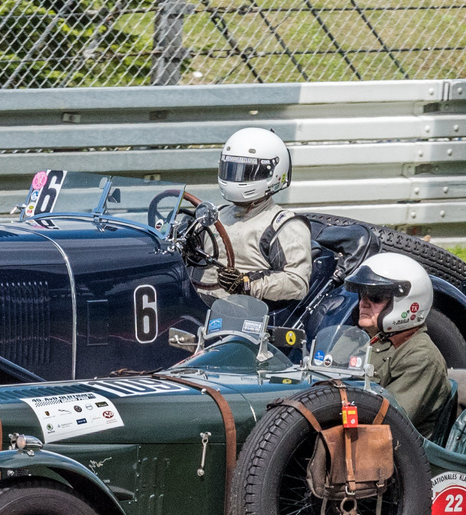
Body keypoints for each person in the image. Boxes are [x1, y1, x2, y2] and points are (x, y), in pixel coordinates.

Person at [193, 127, 314, 304]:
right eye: (231, 169)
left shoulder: (284, 225)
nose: (237, 178)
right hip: (194, 306)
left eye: (246, 172)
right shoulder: (213, 215)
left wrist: (246, 284)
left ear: (273, 171)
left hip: (243, 316)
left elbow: (297, 283)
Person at [343, 252, 451, 438]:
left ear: (408, 303)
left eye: (376, 297)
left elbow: (387, 420)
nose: (363, 303)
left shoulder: (420, 357)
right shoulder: (355, 340)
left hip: (391, 456)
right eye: (362, 295)